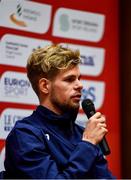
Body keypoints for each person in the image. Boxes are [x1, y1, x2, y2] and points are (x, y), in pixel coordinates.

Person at [3, 44, 115, 179]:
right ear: (45, 86)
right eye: (69, 79)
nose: (80, 85)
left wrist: (88, 143)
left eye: (79, 78)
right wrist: (88, 145)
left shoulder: (83, 134)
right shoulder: (25, 135)